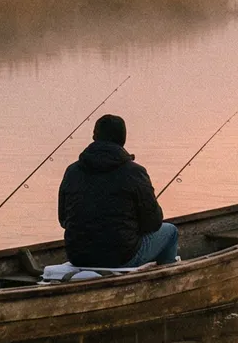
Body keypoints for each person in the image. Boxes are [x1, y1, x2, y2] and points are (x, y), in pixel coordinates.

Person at [58, 114, 180, 269]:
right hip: (121, 257)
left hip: (78, 256)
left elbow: (63, 220)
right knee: (170, 232)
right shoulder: (135, 172)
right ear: (124, 139)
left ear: (94, 136)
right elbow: (154, 222)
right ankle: (165, 282)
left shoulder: (72, 171)